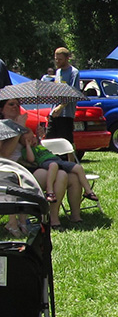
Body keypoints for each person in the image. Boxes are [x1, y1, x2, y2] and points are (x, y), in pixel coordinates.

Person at [0, 98, 83, 230]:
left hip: (32, 165)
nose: (15, 107)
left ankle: (73, 216)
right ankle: (53, 219)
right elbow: (4, 154)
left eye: (17, 104)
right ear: (1, 109)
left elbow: (34, 150)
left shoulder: (23, 125)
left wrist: (38, 139)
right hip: (15, 170)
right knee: (60, 175)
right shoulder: (2, 127)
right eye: (11, 104)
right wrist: (18, 129)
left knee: (71, 176)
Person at [22, 133, 99, 203]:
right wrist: (28, 146)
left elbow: (40, 137)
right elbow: (31, 159)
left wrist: (38, 134)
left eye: (33, 137)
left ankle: (88, 191)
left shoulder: (40, 145)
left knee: (78, 167)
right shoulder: (26, 150)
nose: (32, 140)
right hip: (45, 162)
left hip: (58, 160)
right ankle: (50, 191)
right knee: (53, 165)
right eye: (29, 140)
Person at [46, 48, 80, 149]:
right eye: (56, 59)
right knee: (50, 139)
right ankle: (54, 162)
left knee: (67, 141)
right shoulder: (58, 72)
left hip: (66, 114)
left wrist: (61, 107)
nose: (57, 61)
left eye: (60, 59)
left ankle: (71, 162)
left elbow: (73, 93)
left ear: (67, 58)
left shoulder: (74, 72)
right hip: (54, 112)